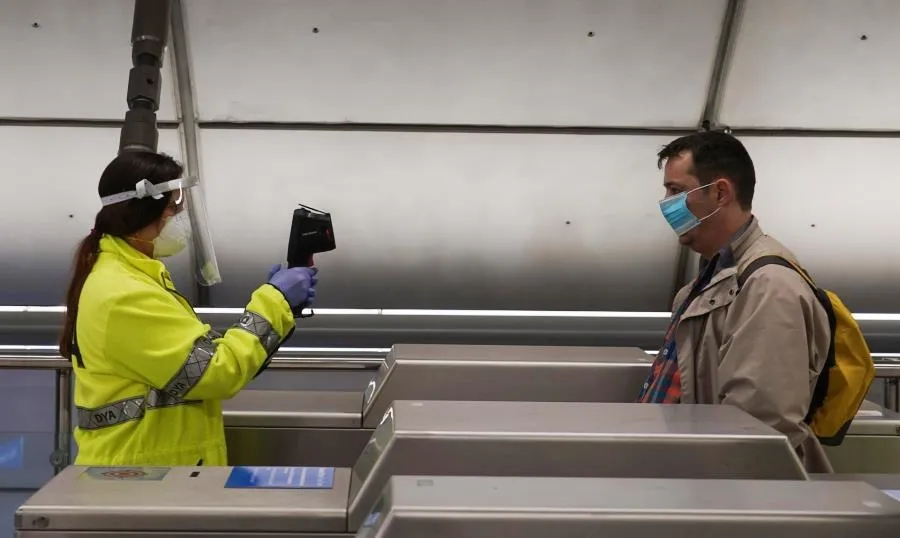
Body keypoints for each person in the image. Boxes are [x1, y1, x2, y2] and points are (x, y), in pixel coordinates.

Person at [59, 151, 318, 466]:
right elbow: (215, 373)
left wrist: (281, 307)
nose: (179, 217)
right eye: (173, 207)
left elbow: (200, 361)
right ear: (142, 212)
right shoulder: (123, 294)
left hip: (151, 468)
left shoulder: (134, 276)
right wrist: (274, 300)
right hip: (141, 478)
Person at [637, 131, 833, 473]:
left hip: (723, 488)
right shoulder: (706, 283)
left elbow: (757, 429)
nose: (666, 204)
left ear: (720, 193)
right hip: (690, 478)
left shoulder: (767, 287)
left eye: (676, 191)